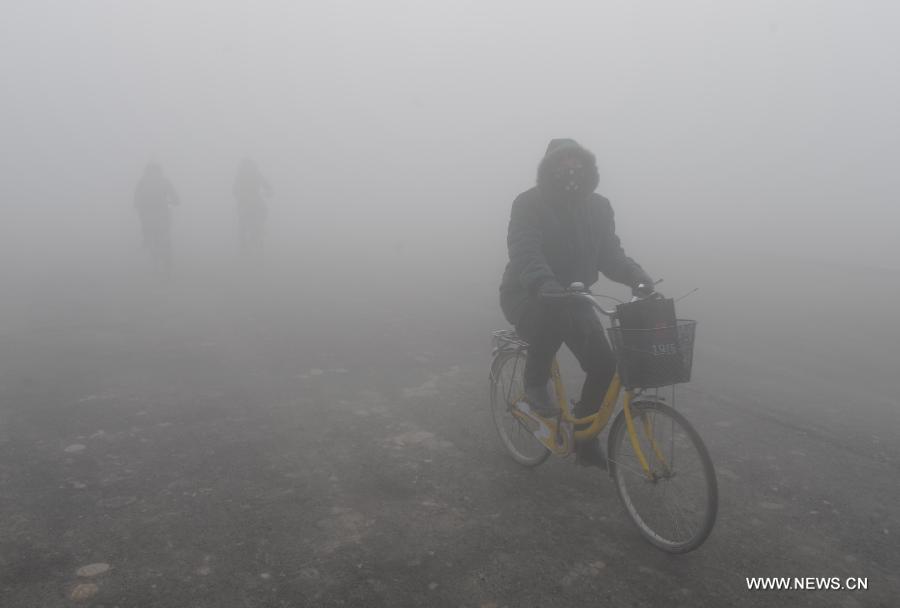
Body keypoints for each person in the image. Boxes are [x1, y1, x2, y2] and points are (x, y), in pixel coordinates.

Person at [499, 139, 654, 466]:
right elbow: (526, 250)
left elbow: (610, 254)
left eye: (576, 164)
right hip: (528, 294)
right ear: (548, 168)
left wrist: (637, 277)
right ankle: (534, 382)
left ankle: (585, 440)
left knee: (604, 364)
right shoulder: (528, 204)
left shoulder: (599, 207)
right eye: (561, 164)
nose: (570, 171)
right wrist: (544, 283)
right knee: (552, 317)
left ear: (588, 169)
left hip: (576, 296)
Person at [134, 162, 180, 276]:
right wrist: (174, 202)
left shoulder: (143, 182)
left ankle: (148, 244)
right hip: (162, 216)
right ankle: (167, 263)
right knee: (164, 237)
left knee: (150, 234)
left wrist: (140, 205)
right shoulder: (164, 182)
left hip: (149, 217)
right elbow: (176, 199)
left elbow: (135, 200)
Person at [233, 158, 272, 259]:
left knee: (243, 225)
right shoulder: (256, 173)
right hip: (254, 201)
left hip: (245, 203)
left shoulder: (240, 175)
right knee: (261, 217)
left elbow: (234, 190)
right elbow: (268, 186)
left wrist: (239, 195)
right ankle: (257, 244)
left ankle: (244, 248)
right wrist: (268, 192)